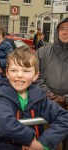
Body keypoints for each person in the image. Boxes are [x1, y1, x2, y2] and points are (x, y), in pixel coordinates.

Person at [0, 46, 68, 150]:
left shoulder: (40, 97)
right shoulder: (1, 96)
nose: (19, 75)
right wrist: (30, 139)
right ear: (7, 73)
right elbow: (4, 123)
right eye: (14, 70)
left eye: (26, 71)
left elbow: (64, 118)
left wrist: (43, 143)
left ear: (36, 75)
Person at [36, 17, 68, 150]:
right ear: (57, 31)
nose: (65, 32)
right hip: (47, 106)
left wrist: (65, 99)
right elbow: (36, 77)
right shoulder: (42, 52)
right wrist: (50, 96)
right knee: (47, 143)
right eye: (62, 29)